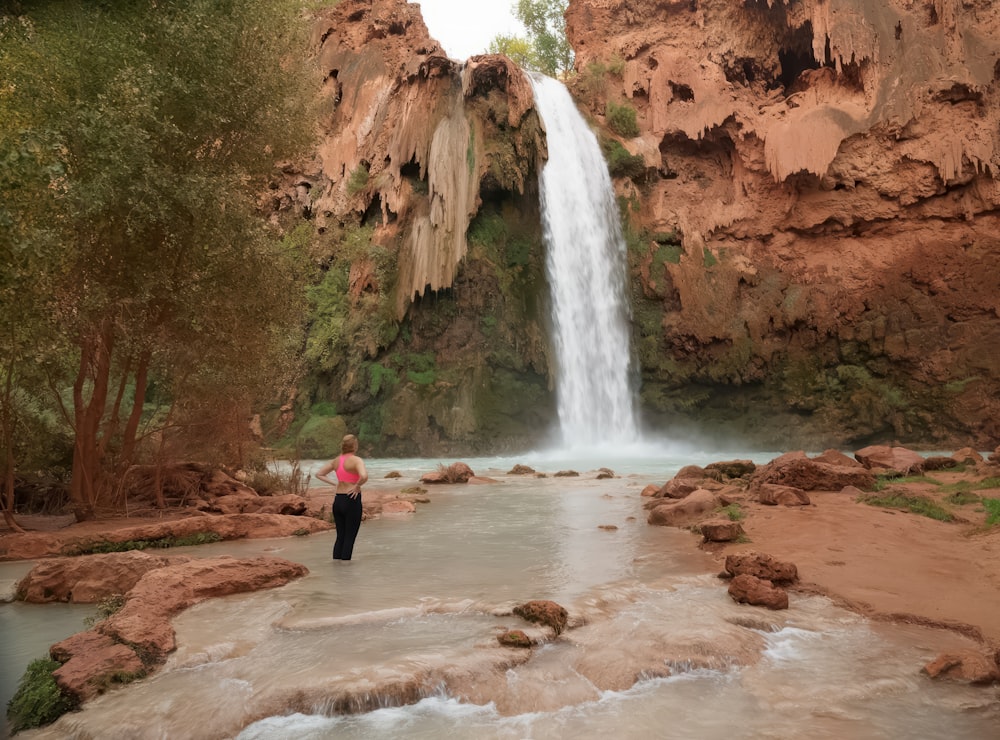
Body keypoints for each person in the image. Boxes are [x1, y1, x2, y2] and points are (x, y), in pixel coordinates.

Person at [315, 433, 368, 560]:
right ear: (354, 446)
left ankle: (337, 571)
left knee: (340, 537)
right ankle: (345, 573)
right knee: (349, 538)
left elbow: (319, 474)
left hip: (338, 500)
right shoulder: (356, 460)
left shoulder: (336, 461)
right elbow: (364, 476)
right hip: (351, 500)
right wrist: (356, 486)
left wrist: (335, 483)